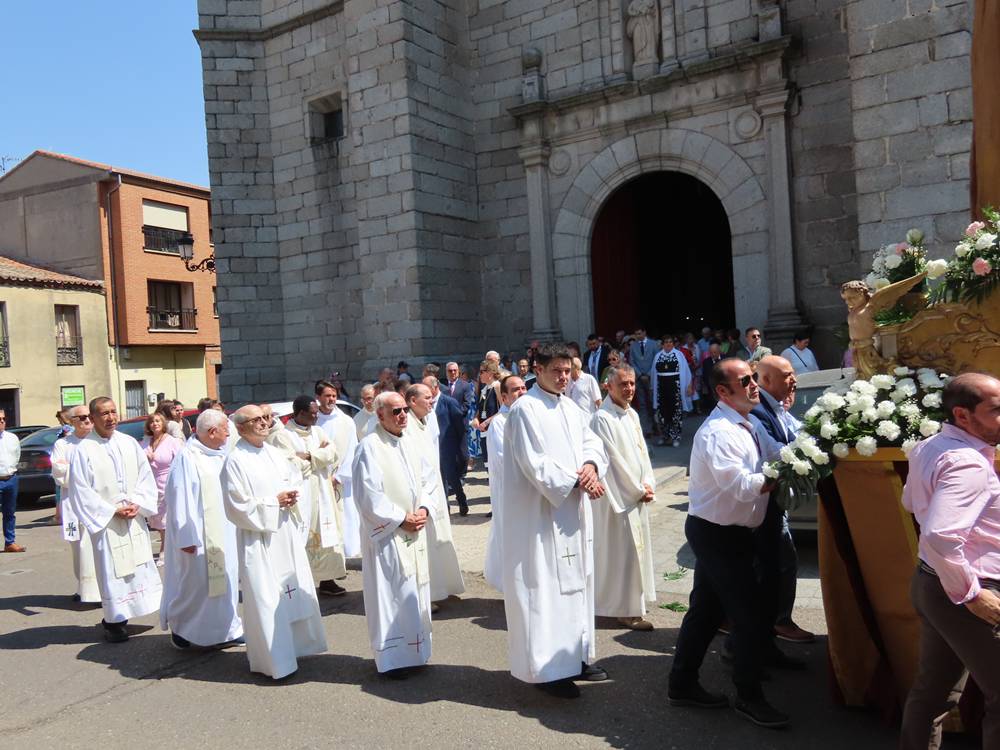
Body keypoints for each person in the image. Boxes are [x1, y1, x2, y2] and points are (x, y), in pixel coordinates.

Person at [668, 359, 789, 729]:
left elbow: (776, 453)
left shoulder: (747, 422)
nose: (755, 385)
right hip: (717, 535)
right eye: (746, 381)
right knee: (750, 616)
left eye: (754, 379)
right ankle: (748, 696)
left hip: (733, 533)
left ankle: (682, 683)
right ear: (723, 391)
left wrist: (799, 457)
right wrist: (781, 474)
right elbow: (739, 484)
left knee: (705, 610)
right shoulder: (718, 432)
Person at [502, 342, 610, 699]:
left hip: (572, 512)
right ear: (538, 369)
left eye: (567, 371)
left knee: (578, 586)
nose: (564, 378)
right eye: (556, 371)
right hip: (541, 517)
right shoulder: (525, 410)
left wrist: (592, 466)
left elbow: (591, 441)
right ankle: (549, 669)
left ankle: (576, 657)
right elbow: (535, 464)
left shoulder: (572, 408)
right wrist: (579, 480)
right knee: (546, 589)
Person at [900, 373, 1000, 749]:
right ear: (963, 415)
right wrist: (972, 594)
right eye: (996, 411)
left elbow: (910, 503)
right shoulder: (968, 463)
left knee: (933, 691)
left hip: (932, 583)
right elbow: (941, 535)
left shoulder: (930, 446)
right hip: (966, 592)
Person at [222, 405, 326, 679]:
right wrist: (273, 502)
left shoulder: (274, 453)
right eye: (256, 420)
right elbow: (236, 506)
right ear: (241, 427)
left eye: (265, 418)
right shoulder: (235, 461)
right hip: (259, 538)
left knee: (290, 590)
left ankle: (295, 649)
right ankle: (273, 661)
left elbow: (293, 478)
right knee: (266, 598)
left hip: (284, 532)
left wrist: (292, 496)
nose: (264, 423)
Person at [352, 392, 438, 678]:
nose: (403, 416)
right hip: (389, 535)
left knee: (415, 591)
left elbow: (429, 479)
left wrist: (424, 508)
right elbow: (368, 495)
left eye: (404, 410)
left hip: (415, 529)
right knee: (391, 593)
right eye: (396, 411)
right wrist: (401, 519)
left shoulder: (411, 441)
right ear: (380, 415)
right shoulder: (370, 447)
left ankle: (416, 653)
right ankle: (392, 659)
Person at [67, 398, 162, 642]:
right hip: (108, 522)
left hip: (132, 518)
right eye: (104, 414)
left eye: (113, 412)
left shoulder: (129, 443)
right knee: (113, 572)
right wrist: (110, 511)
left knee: (137, 567)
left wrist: (137, 503)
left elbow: (145, 477)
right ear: (93, 418)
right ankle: (114, 620)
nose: (111, 418)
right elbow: (81, 490)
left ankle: (133, 610)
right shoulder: (84, 450)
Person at [159, 409, 243, 649]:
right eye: (226, 428)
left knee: (225, 581)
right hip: (198, 536)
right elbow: (179, 498)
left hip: (224, 531)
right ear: (212, 432)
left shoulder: (223, 452)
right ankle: (183, 630)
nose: (229, 432)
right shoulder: (188, 458)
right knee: (196, 585)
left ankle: (227, 629)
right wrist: (187, 537)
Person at [750, 356, 815, 644]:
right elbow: (777, 453)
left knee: (781, 563)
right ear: (766, 380)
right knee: (775, 565)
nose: (795, 379)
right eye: (788, 374)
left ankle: (770, 627)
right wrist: (808, 448)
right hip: (762, 503)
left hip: (774, 502)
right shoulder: (756, 411)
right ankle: (774, 624)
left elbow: (796, 430)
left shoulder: (776, 405)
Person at [590, 365, 657, 631]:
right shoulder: (602, 419)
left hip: (637, 495)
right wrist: (636, 490)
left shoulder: (633, 415)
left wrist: (648, 483)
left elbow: (643, 456)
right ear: (609, 386)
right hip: (619, 498)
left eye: (631, 383)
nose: (629, 389)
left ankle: (634, 604)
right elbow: (613, 462)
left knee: (635, 553)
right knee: (623, 554)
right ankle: (624, 610)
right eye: (623, 384)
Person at [270, 395, 346, 598]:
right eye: (313, 413)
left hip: (321, 491)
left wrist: (310, 456)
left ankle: (327, 580)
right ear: (300, 414)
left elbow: (333, 453)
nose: (316, 416)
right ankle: (302, 583)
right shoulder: (283, 436)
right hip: (302, 495)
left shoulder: (318, 431)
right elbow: (290, 464)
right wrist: (317, 456)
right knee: (301, 535)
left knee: (326, 533)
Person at [405, 383, 464, 608]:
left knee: (438, 538)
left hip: (434, 486)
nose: (432, 401)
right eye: (427, 398)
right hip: (420, 494)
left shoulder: (426, 420)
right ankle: (426, 594)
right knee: (425, 543)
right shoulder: (406, 425)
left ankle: (441, 586)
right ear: (412, 401)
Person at [51, 405, 99, 602]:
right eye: (82, 417)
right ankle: (83, 587)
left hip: (96, 503)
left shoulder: (98, 442)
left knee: (96, 546)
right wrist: (83, 474)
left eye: (89, 416)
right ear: (73, 421)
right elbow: (59, 472)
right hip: (72, 503)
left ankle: (100, 589)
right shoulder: (63, 445)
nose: (87, 420)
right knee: (77, 546)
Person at [483, 375, 527, 593]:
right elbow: (504, 459)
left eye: (524, 387)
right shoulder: (499, 423)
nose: (522, 392)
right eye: (516, 389)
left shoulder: (528, 416)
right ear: (504, 397)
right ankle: (510, 583)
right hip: (510, 489)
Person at [315, 380, 361, 561]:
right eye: (327, 396)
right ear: (318, 397)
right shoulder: (314, 420)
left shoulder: (346, 421)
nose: (332, 399)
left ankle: (346, 553)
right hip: (319, 479)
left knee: (345, 516)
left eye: (334, 395)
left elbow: (352, 451)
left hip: (341, 480)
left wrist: (339, 477)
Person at [141, 411, 184, 562]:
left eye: (158, 421)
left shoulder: (172, 441)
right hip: (151, 484)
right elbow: (137, 460)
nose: (155, 424)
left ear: (163, 423)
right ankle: (170, 546)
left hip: (168, 482)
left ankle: (164, 550)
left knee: (166, 519)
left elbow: (180, 461)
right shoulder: (146, 441)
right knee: (157, 520)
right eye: (152, 421)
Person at [431, 375, 470, 516]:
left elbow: (459, 426)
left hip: (448, 447)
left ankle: (461, 499)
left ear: (435, 388)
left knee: (452, 478)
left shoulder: (449, 402)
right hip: (433, 448)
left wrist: (462, 449)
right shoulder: (426, 405)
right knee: (439, 479)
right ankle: (445, 508)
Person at [651, 336, 693, 447]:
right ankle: (665, 437)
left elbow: (686, 371)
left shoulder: (679, 355)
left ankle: (675, 437)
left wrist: (689, 386)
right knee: (662, 413)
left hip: (675, 387)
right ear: (662, 344)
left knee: (675, 413)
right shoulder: (658, 356)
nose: (668, 344)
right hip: (661, 388)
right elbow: (653, 374)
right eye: (666, 342)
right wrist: (652, 388)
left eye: (670, 342)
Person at [0, 408, 22, 552]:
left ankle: (10, 542)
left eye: (3, 419)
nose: (2, 422)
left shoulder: (12, 438)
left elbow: (16, 455)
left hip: (11, 479)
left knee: (9, 513)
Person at [629, 328, 657, 436]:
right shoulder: (633, 346)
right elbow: (632, 361)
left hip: (651, 378)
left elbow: (656, 360)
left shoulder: (653, 344)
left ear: (645, 332)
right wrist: (640, 374)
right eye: (636, 333)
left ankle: (656, 426)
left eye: (639, 333)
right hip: (639, 378)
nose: (637, 335)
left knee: (652, 402)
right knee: (642, 404)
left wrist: (649, 374)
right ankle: (646, 429)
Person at [473, 360, 501, 467]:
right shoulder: (484, 389)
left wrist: (487, 421)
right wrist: (476, 418)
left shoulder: (497, 386)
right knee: (488, 463)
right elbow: (480, 409)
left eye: (481, 372)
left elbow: (504, 409)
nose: (479, 375)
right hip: (484, 431)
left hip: (495, 431)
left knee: (496, 464)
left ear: (489, 373)